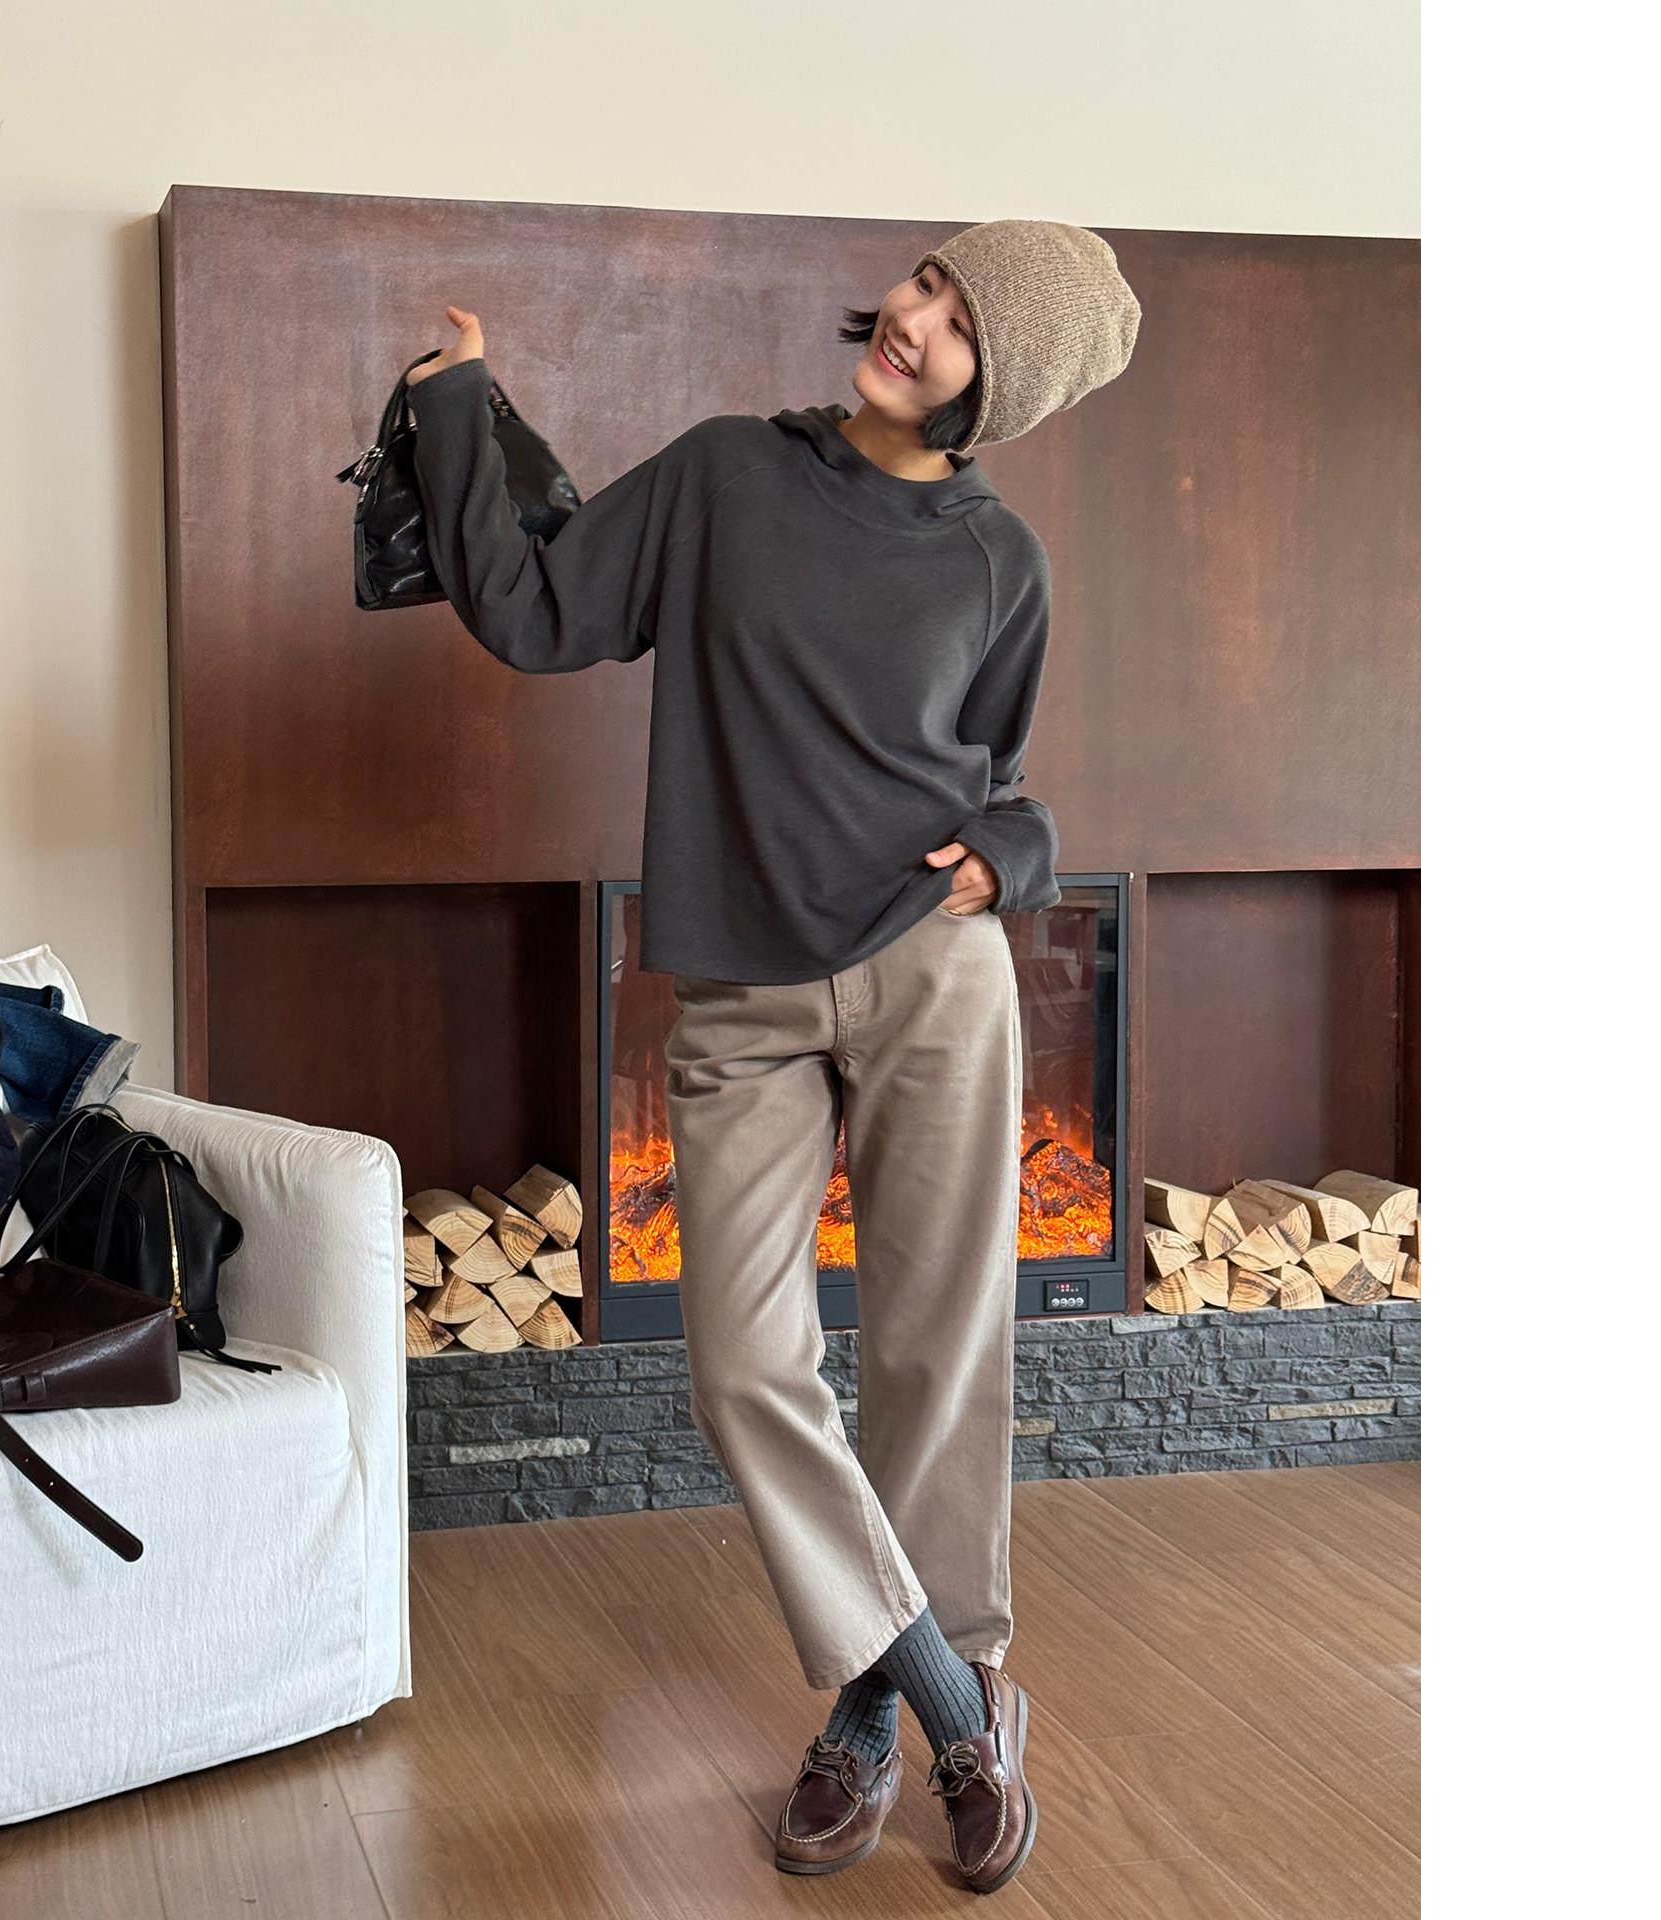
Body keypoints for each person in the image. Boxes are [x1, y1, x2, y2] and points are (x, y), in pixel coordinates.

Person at [405, 218, 1141, 1894]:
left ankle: (877, 1715)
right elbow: (534, 607)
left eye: (964, 323)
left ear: (999, 387)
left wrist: (1010, 862)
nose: (918, 320)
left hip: (934, 973)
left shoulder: (1001, 560)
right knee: (744, 1366)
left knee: (938, 1352)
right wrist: (456, 409)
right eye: (930, 281)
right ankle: (952, 1697)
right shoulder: (729, 474)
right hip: (741, 993)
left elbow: (1006, 786)